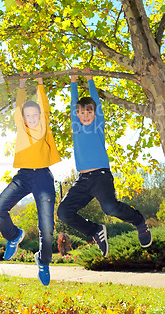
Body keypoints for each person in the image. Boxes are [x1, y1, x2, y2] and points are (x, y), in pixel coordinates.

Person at [57, 68, 152, 257]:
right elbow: (72, 105)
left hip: (101, 177)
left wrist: (90, 80)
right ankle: (95, 231)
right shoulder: (76, 126)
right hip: (83, 180)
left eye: (89, 112)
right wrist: (73, 82)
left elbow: (97, 104)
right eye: (82, 113)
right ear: (77, 114)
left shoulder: (98, 125)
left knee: (109, 208)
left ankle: (139, 221)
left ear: (94, 113)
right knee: (63, 212)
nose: (85, 116)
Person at [0, 74, 61, 285]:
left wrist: (40, 84)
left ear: (40, 115)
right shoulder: (21, 128)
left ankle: (43, 259)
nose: (31, 118)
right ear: (23, 118)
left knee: (47, 226)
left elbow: (45, 106)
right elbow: (18, 107)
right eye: (27, 116)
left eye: (35, 115)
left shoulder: (44, 127)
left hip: (43, 177)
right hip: (23, 176)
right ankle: (14, 236)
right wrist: (21, 85)